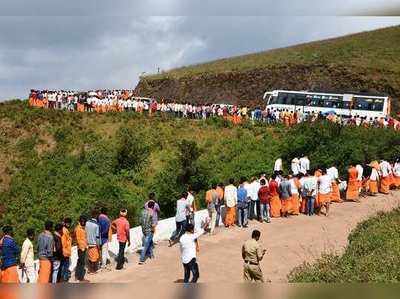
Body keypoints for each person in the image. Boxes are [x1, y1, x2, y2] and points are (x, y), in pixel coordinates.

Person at [74, 215, 89, 282]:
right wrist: (81, 247)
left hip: (84, 246)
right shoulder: (78, 229)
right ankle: (80, 278)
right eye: (82, 221)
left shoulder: (83, 228)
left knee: (80, 262)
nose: (83, 222)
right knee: (81, 262)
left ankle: (78, 276)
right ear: (80, 221)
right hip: (81, 248)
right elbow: (78, 239)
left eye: (84, 221)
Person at [86, 210, 100, 274]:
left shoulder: (87, 223)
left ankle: (89, 269)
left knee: (89, 256)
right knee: (94, 257)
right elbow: (97, 236)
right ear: (96, 216)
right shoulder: (96, 225)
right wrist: (98, 244)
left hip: (88, 243)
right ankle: (93, 270)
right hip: (94, 243)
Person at [60, 218, 72, 282]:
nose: (68, 224)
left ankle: (64, 279)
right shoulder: (64, 231)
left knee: (65, 266)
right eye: (67, 223)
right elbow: (63, 242)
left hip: (66, 251)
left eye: (69, 223)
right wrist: (65, 251)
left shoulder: (66, 230)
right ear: (64, 223)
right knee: (65, 267)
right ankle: (64, 280)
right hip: (65, 252)